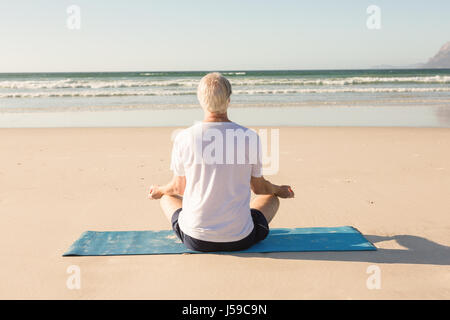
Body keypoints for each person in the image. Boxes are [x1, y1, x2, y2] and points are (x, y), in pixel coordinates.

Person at [148, 72, 294, 252]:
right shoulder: (249, 137)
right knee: (270, 198)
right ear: (229, 99)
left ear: (200, 100)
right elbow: (258, 188)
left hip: (195, 239)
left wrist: (159, 190)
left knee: (166, 197)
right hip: (241, 239)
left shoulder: (184, 137)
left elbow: (179, 188)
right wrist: (279, 190)